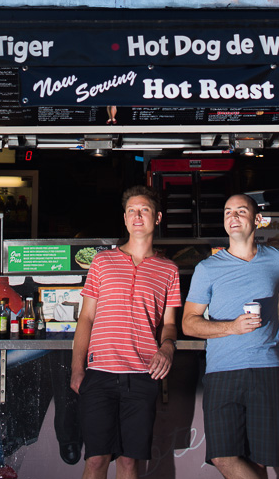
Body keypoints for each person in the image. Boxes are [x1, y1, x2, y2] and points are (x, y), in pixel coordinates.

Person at [182, 192, 279, 479]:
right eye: (227, 212)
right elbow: (188, 324)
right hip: (221, 371)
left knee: (259, 462)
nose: (233, 217)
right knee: (222, 457)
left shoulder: (277, 259)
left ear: (257, 219)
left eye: (241, 211)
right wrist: (231, 327)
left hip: (266, 369)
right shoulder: (207, 269)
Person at [70, 185, 180, 479]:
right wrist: (77, 369)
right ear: (124, 218)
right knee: (95, 460)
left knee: (130, 462)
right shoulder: (102, 262)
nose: (137, 215)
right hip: (100, 373)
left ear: (157, 218)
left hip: (142, 376)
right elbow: (86, 319)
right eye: (131, 210)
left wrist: (168, 347)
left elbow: (169, 324)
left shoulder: (169, 269)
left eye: (144, 209)